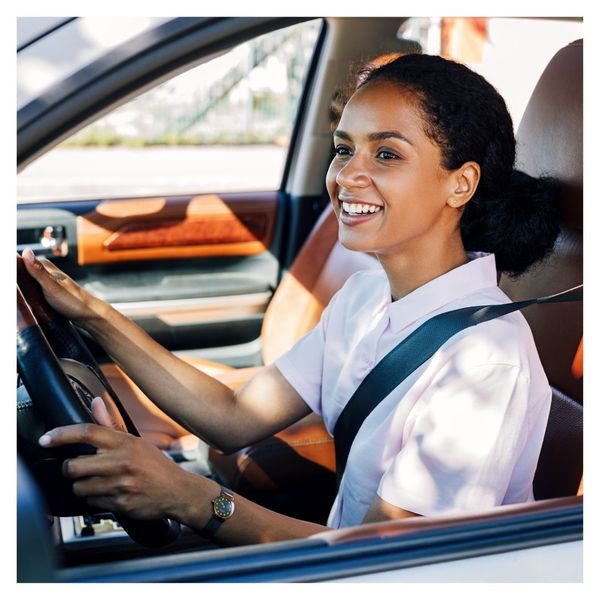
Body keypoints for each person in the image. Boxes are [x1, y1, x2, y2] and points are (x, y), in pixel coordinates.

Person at [23, 53, 560, 546]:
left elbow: (386, 559)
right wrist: (91, 313)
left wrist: (186, 495)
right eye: (344, 148)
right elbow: (233, 416)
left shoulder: (484, 360)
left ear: (461, 184)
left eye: (387, 153)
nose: (347, 175)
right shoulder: (366, 295)